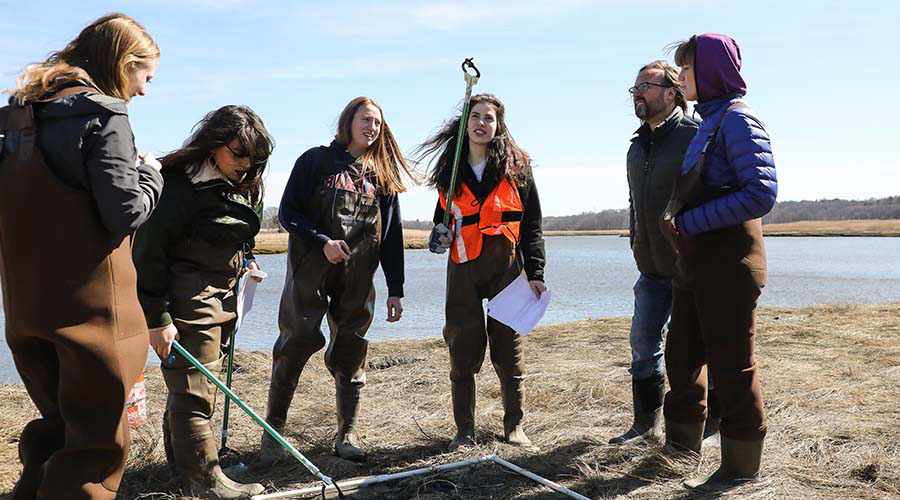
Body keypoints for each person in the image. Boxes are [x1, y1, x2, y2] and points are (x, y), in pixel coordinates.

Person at [0, 13, 161, 500]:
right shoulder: (103, 114)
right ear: (124, 63)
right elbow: (124, 211)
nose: (144, 91)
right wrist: (152, 174)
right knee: (96, 447)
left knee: (58, 428)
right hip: (93, 315)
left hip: (26, 310)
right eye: (145, 76)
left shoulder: (18, 115)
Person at [263, 96, 414, 463]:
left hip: (358, 276)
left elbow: (392, 237)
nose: (372, 128)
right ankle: (273, 434)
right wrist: (322, 242)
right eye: (366, 120)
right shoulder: (315, 161)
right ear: (348, 123)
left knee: (351, 348)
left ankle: (347, 432)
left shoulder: (384, 177)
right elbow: (288, 213)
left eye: (377, 123)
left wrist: (396, 289)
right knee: (296, 341)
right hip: (311, 268)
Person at [133, 105, 273, 499]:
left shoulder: (248, 180)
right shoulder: (177, 186)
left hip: (227, 291)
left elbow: (244, 231)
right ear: (213, 146)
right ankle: (205, 482)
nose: (247, 165)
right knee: (194, 389)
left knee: (198, 385)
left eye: (255, 157)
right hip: (187, 293)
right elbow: (147, 255)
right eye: (238, 154)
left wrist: (248, 259)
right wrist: (158, 317)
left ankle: (184, 466)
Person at [660, 33, 777, 491]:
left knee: (733, 364)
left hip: (730, 261)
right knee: (681, 354)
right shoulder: (707, 121)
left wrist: (693, 223)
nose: (680, 76)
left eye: (687, 69)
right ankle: (680, 449)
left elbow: (761, 193)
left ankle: (739, 467)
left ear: (709, 72)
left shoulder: (738, 121)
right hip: (697, 262)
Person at [420, 93, 546, 450]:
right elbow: (440, 221)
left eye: (488, 118)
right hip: (462, 268)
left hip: (506, 268)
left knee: (509, 349)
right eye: (475, 117)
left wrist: (535, 271)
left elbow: (532, 224)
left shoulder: (518, 167)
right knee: (462, 348)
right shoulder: (451, 169)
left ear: (498, 125)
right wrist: (436, 238)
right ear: (465, 124)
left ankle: (515, 426)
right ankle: (464, 431)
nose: (481, 124)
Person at [610, 61, 708, 444]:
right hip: (650, 269)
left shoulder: (695, 135)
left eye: (646, 86)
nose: (637, 93)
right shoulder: (636, 146)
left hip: (691, 267)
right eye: (634, 87)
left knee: (701, 350)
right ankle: (644, 426)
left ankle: (712, 425)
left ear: (671, 92)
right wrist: (636, 239)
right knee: (642, 342)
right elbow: (636, 203)